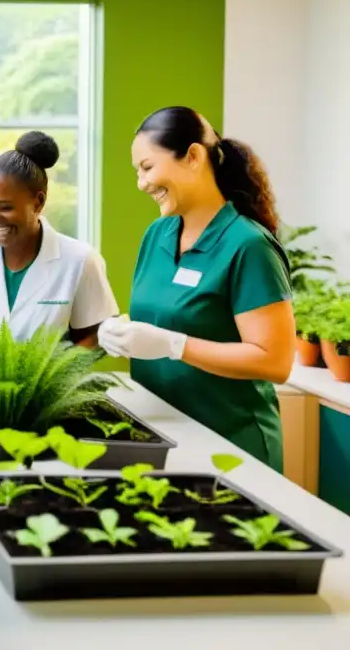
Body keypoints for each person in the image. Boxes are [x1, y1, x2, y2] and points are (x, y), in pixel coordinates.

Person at [98, 106, 294, 472]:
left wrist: (175, 346)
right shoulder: (157, 235)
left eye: (147, 167)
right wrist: (122, 332)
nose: (141, 183)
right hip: (162, 438)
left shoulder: (248, 246)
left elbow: (275, 362)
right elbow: (162, 318)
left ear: (192, 156)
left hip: (232, 448)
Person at [0, 131, 118, 346]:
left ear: (38, 203)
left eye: (4, 208)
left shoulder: (80, 260)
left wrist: (54, 373)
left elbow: (96, 333)